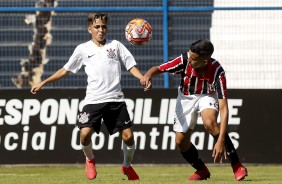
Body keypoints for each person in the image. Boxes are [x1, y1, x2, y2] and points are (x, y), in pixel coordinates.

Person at [30, 13, 141, 181]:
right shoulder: (82, 49)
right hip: (93, 101)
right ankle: (90, 159)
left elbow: (130, 64)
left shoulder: (116, 45)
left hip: (115, 100)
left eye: (104, 27)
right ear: (90, 29)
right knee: (84, 134)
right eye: (97, 27)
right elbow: (65, 70)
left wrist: (141, 77)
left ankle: (126, 166)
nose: (101, 30)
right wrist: (43, 82)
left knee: (129, 137)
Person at [140, 39, 248, 181]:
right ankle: (201, 170)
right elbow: (159, 68)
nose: (189, 60)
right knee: (180, 142)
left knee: (210, 123)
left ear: (204, 61)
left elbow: (224, 109)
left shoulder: (217, 71)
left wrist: (220, 140)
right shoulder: (184, 60)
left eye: (193, 59)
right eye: (189, 55)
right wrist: (147, 76)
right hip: (185, 97)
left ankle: (237, 166)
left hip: (207, 95)